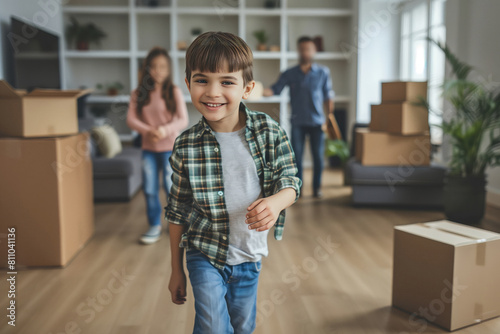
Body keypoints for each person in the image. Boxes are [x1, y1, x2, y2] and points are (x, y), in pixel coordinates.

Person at [165, 31, 302, 334]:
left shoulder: (269, 131)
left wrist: (276, 202)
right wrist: (176, 270)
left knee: (241, 327)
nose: (213, 91)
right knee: (214, 327)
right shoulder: (186, 145)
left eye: (226, 82)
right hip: (203, 252)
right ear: (188, 84)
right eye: (202, 80)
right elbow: (177, 211)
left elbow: (290, 180)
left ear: (247, 88)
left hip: (249, 256)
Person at [127, 47, 189, 245]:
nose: (158, 71)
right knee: (150, 188)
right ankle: (154, 225)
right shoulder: (138, 93)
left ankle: (177, 225)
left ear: (169, 69)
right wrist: (148, 131)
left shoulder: (174, 91)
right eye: (153, 67)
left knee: (171, 188)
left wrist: (164, 131)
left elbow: (183, 119)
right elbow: (131, 120)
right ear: (147, 69)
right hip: (148, 149)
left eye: (162, 67)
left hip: (170, 148)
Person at [264, 36, 335, 198]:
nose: (305, 52)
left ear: (314, 51)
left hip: (318, 122)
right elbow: (275, 89)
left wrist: (329, 118)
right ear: (298, 51)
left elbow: (328, 96)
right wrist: (258, 90)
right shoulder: (289, 73)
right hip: (297, 122)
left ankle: (317, 188)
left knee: (318, 157)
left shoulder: (323, 72)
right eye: (302, 49)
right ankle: (298, 189)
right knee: (296, 158)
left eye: (308, 49)